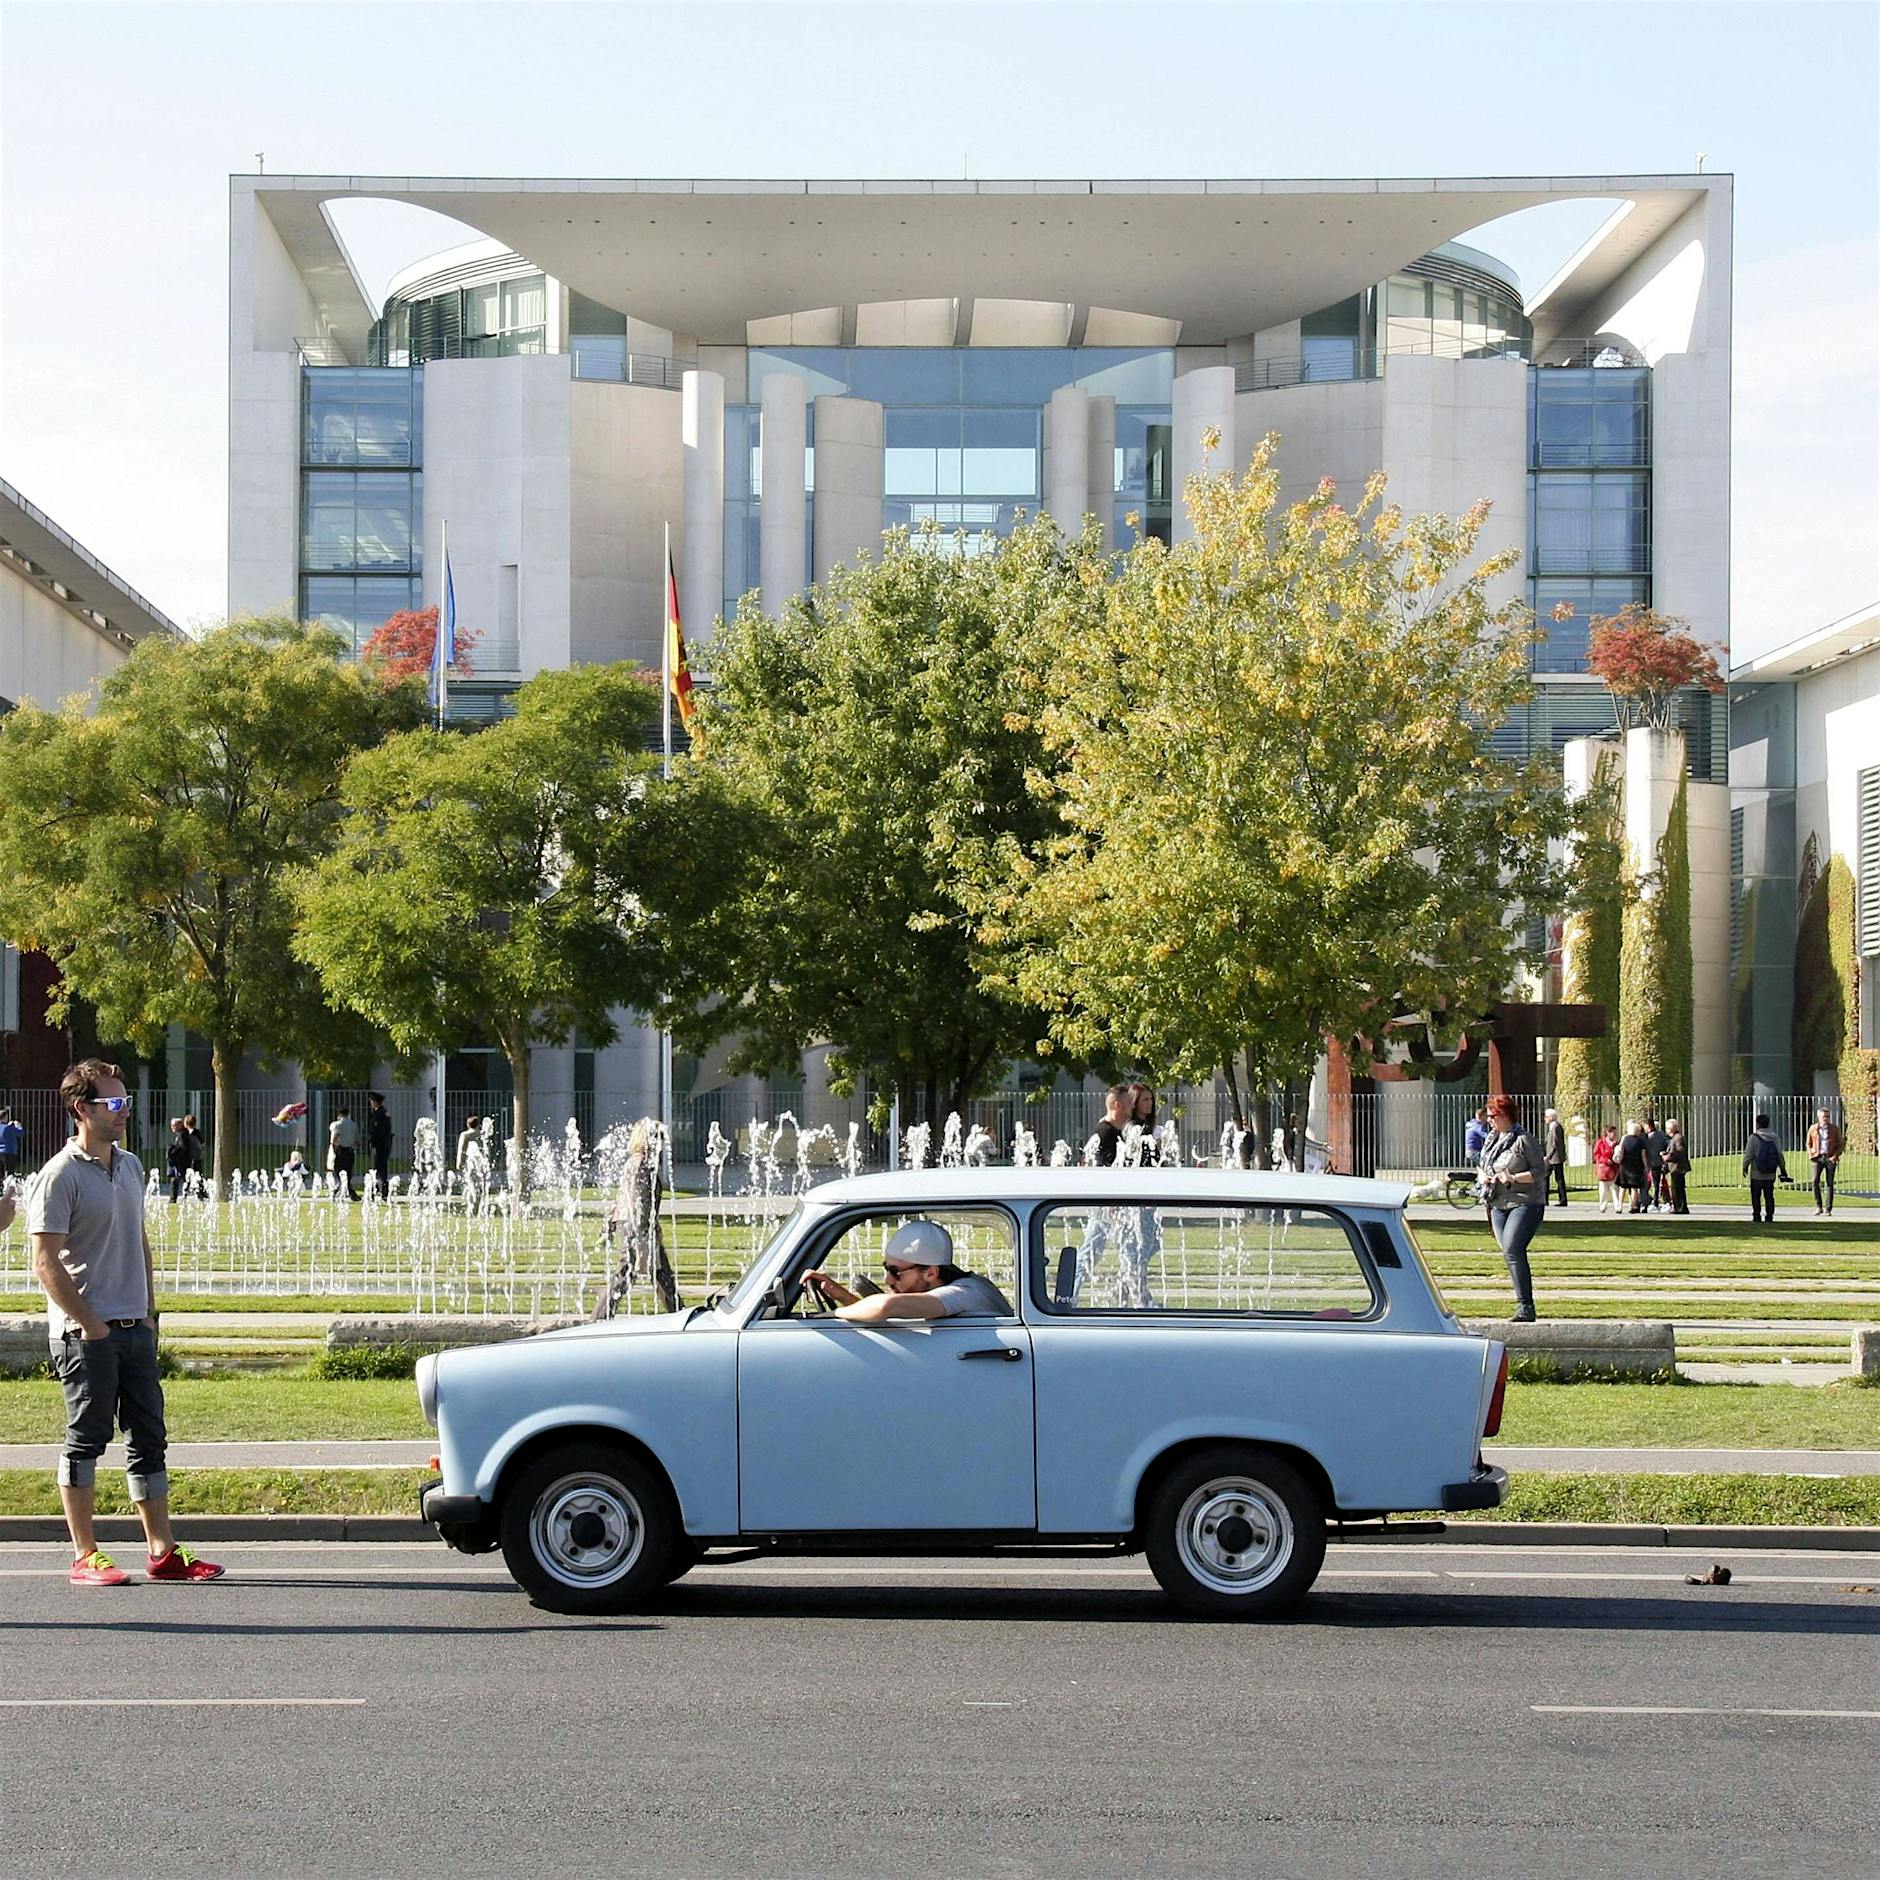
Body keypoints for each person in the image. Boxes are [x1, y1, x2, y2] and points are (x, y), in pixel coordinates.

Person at [28, 1058, 223, 1587]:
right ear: (80, 1109)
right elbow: (45, 1262)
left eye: (125, 1102)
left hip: (135, 1327)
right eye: (112, 1104)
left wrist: (151, 1313)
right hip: (86, 1333)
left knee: (149, 1439)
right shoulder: (59, 1175)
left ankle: (162, 1551)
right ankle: (85, 1554)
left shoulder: (130, 1165)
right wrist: (90, 1324)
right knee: (86, 1440)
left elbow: (138, 1241)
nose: (123, 1112)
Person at [803, 1219, 1011, 1321]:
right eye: (886, 1269)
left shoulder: (965, 1293)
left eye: (896, 1271)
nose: (887, 1280)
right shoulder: (959, 1287)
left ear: (930, 1272)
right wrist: (844, 1296)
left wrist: (833, 1315)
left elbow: (886, 1307)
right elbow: (888, 1315)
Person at [1479, 1094, 1543, 1322]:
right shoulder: (1493, 1139)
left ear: (1506, 1115)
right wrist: (1485, 1176)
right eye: (1488, 1117)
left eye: (1493, 1116)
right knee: (1508, 1252)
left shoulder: (1524, 1139)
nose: (1490, 1121)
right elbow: (1483, 1164)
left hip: (1524, 1202)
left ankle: (1525, 1306)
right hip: (1497, 1202)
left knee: (1513, 1249)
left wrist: (1512, 1177)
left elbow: (1540, 1172)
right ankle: (1522, 1303)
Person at [1741, 1112, 1791, 1224]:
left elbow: (1748, 1154)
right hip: (1770, 1172)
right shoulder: (1774, 1137)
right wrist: (1782, 1169)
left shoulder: (1754, 1138)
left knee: (1756, 1195)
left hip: (1756, 1172)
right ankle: (1769, 1216)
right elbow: (1779, 1154)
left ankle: (1757, 1216)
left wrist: (1745, 1167)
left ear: (1758, 1124)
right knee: (1769, 1195)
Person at [1806, 1107, 1843, 1217]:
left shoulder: (1834, 1129)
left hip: (1830, 1157)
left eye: (1827, 1117)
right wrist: (1811, 1154)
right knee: (1815, 1181)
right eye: (1823, 1117)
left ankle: (1828, 1209)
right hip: (1818, 1157)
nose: (1826, 1119)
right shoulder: (1813, 1128)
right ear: (1819, 1117)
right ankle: (1818, 1207)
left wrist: (1835, 1156)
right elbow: (1808, 1143)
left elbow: (1841, 1144)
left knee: (1829, 1183)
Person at [1616, 1118, 1650, 1216]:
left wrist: (1620, 1161)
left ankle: (1619, 1206)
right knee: (1634, 1187)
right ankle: (1632, 1206)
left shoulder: (1625, 1139)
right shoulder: (1640, 1141)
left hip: (1625, 1164)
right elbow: (1643, 1155)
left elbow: (1621, 1151)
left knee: (1623, 1187)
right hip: (1636, 1165)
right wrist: (1645, 1166)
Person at [327, 1104, 360, 1201]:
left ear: (339, 1114)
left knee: (337, 1170)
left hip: (340, 1150)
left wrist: (333, 1147)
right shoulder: (354, 1125)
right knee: (348, 1171)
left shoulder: (337, 1124)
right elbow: (357, 1140)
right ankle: (348, 1191)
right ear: (348, 1113)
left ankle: (337, 1188)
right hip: (350, 1150)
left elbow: (335, 1137)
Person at [366, 1091, 394, 1199]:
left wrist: (374, 1141)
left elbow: (380, 1131)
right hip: (379, 1144)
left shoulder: (381, 1114)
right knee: (378, 1168)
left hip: (381, 1145)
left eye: (372, 1101)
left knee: (381, 1168)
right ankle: (378, 1189)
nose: (371, 1103)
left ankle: (382, 1190)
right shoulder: (378, 1113)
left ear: (376, 1102)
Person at [1663, 1118, 1692, 1215]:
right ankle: (1680, 1207)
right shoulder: (1675, 1138)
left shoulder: (1678, 1138)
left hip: (1678, 1167)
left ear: (1670, 1129)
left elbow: (1680, 1151)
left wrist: (1668, 1157)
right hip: (1676, 1167)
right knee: (1677, 1188)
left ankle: (1679, 1207)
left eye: (1667, 1128)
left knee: (1677, 1188)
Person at [1644, 1115, 1672, 1212]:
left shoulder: (1649, 1137)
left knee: (1655, 1184)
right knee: (1658, 1183)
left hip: (1653, 1163)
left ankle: (1655, 1202)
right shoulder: (1661, 1135)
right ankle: (1658, 1201)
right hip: (1659, 1162)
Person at [1542, 1107, 1568, 1206]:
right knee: (1556, 1178)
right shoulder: (1553, 1126)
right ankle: (1560, 1199)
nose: (1545, 1119)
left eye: (1546, 1117)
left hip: (1554, 1158)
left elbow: (1554, 1144)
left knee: (1555, 1178)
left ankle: (1560, 1199)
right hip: (1553, 1157)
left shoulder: (1556, 1127)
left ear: (1551, 1117)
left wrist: (1547, 1157)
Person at [165, 1116, 194, 1204]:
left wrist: (172, 1150)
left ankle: (174, 1198)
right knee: (178, 1179)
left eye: (174, 1125)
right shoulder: (181, 1134)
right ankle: (174, 1198)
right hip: (181, 1161)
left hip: (182, 1162)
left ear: (179, 1125)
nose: (172, 1127)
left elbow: (183, 1148)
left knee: (179, 1179)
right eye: (171, 1125)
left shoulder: (182, 1135)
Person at [1591, 1124, 1619, 1213]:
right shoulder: (1600, 1142)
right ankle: (1602, 1206)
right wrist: (1605, 1160)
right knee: (1603, 1190)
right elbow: (1596, 1155)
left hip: (1614, 1169)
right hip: (1603, 1169)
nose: (1613, 1135)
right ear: (1607, 1133)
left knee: (1615, 1189)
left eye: (1614, 1133)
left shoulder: (1616, 1144)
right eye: (1611, 1132)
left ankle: (1617, 1206)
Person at [0, 1105, 24, 1182]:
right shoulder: (8, 1128)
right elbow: (21, 1132)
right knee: (9, 1173)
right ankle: (7, 1188)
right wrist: (17, 1125)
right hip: (9, 1152)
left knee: (1, 1173)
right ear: (5, 1117)